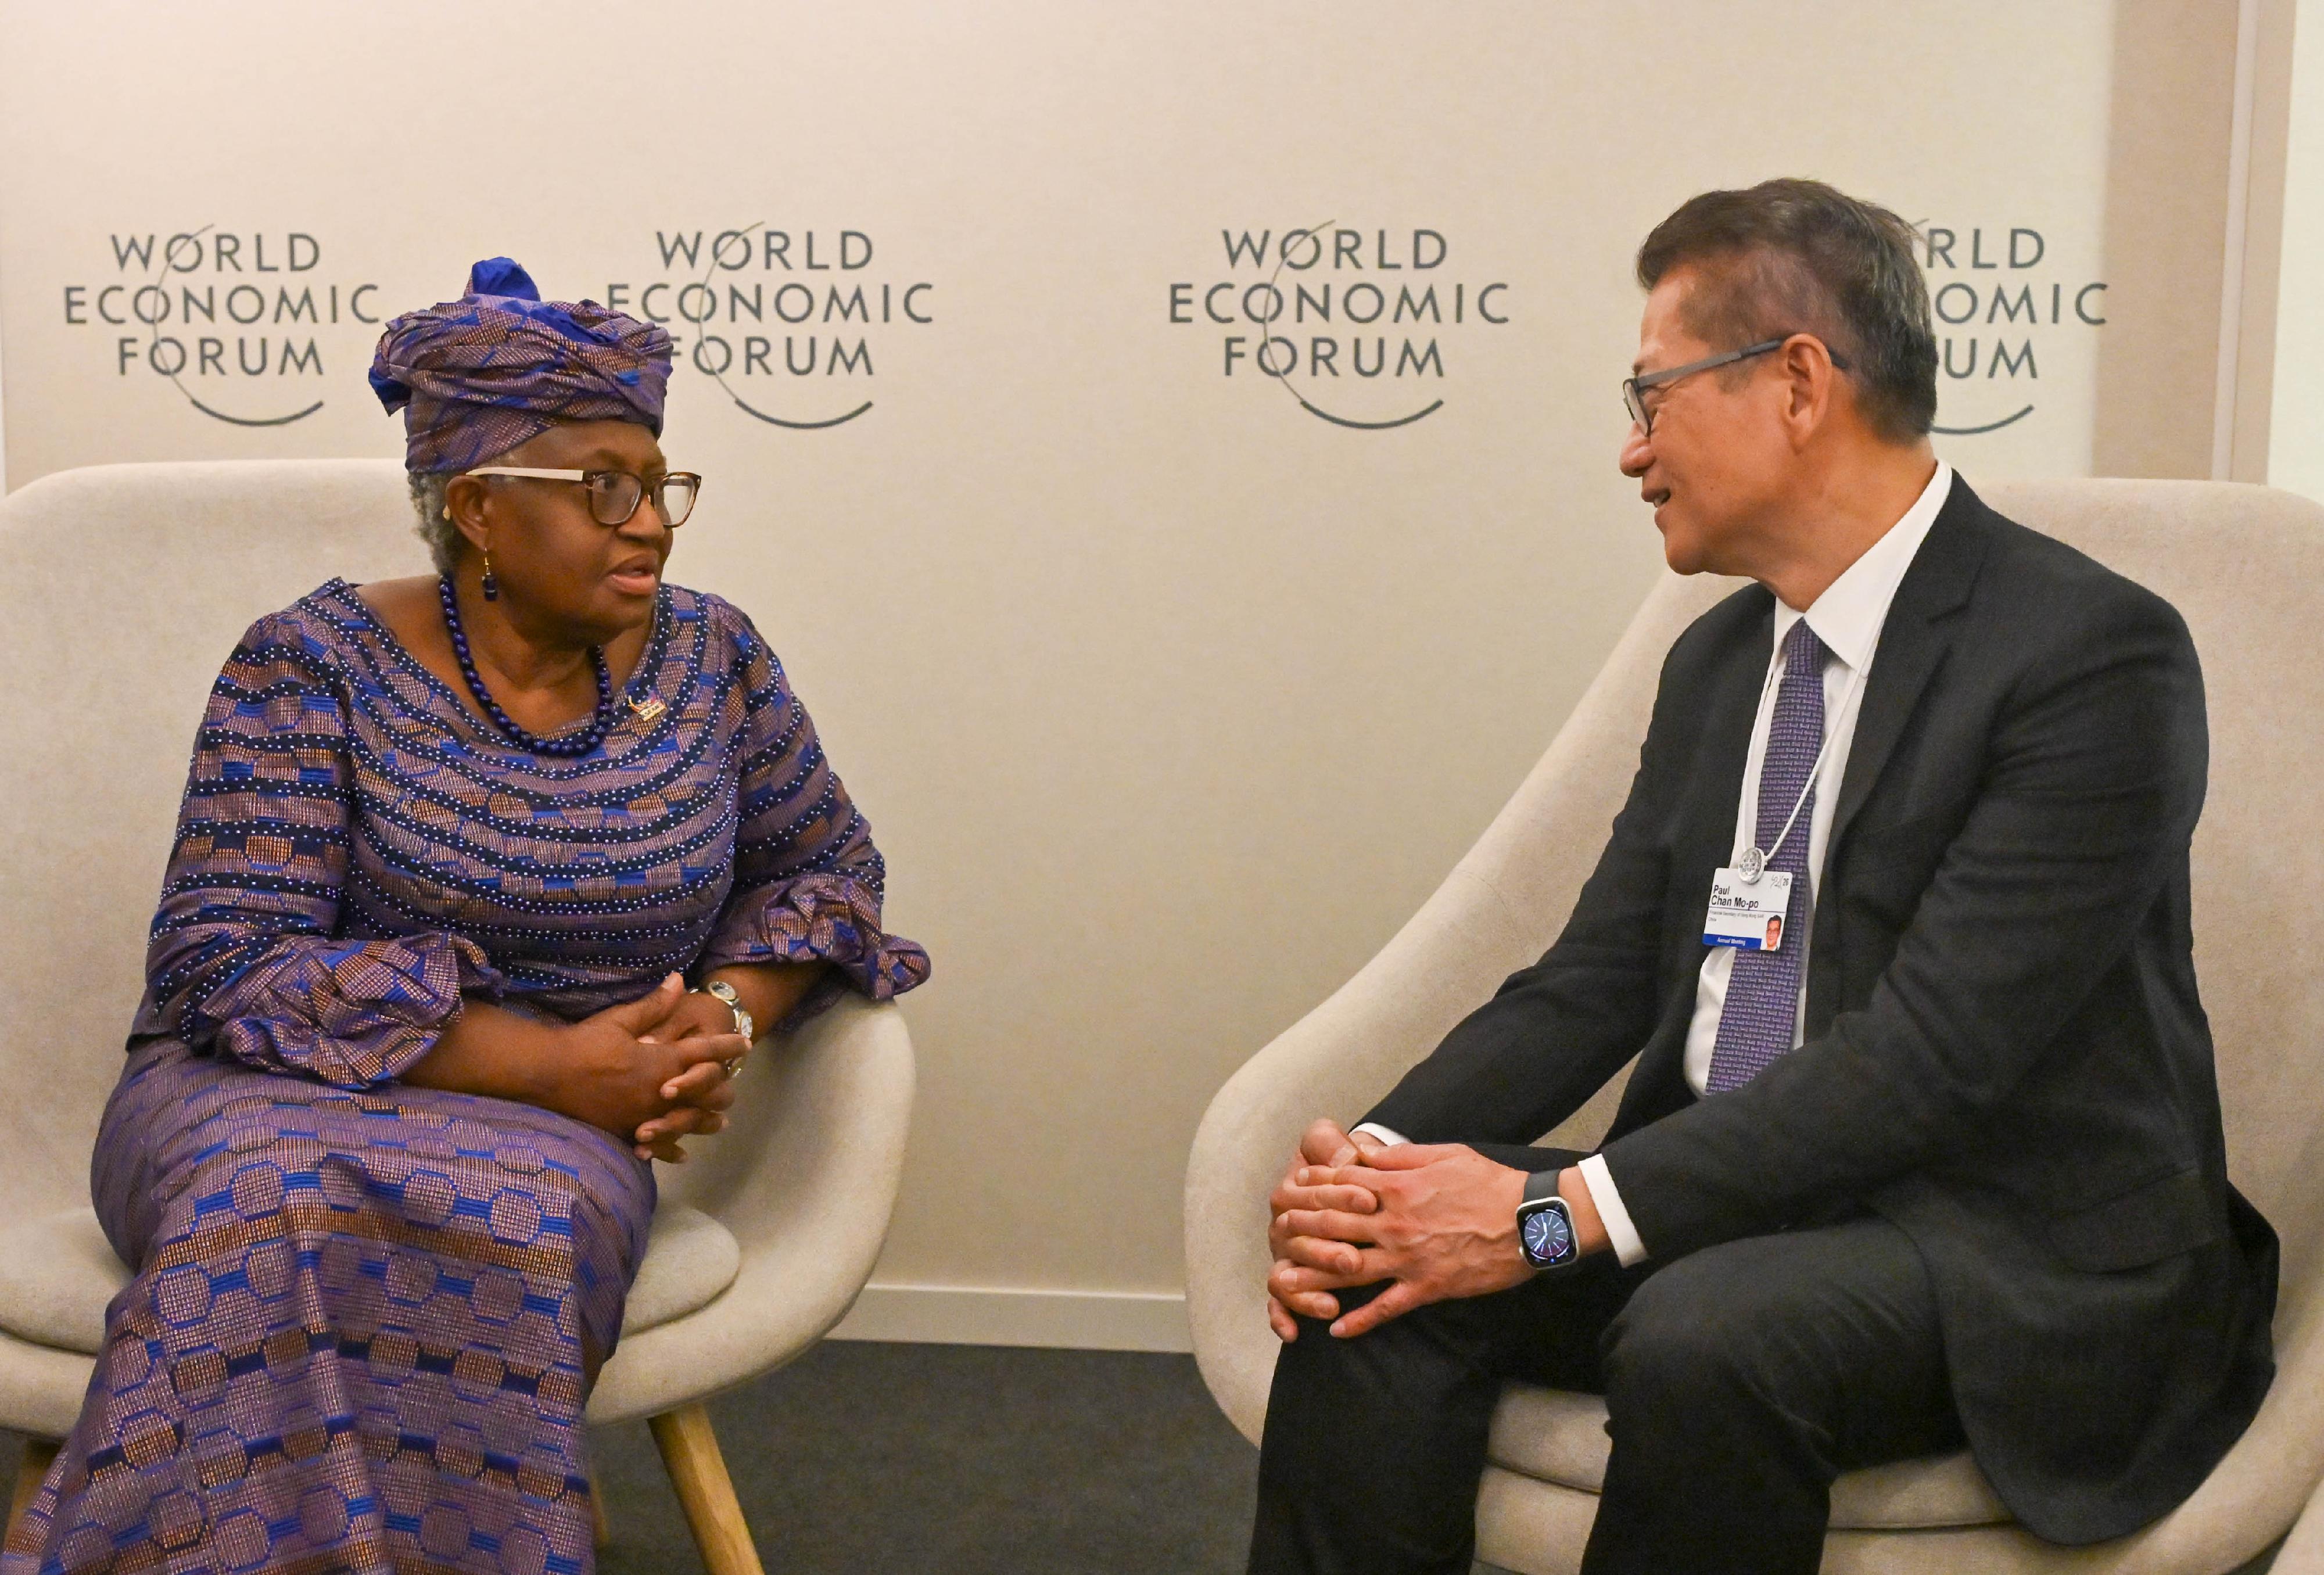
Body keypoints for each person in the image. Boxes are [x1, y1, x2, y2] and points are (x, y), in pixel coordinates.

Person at [1249, 181, 2276, 1575]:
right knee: (1374, 1267)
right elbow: (1592, 981)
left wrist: (1549, 1215)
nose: (1628, 450)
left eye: (1650, 395)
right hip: (1742, 1200)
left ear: (1794, 382)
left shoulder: (2089, 656)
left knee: (1708, 1335)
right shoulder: (1721, 663)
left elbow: (1927, 1061)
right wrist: (1365, 1170)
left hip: (2000, 1243)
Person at [5, 259, 930, 1575]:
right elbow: (225, 963)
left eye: (659, 485)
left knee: (514, 1215)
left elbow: (824, 871)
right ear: (480, 506)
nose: (649, 525)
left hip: (559, 1139)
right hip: (256, 1096)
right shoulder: (312, 664)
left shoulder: (713, 659)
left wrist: (718, 1020)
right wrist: (559, 1068)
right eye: (602, 488)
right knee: (277, 1200)